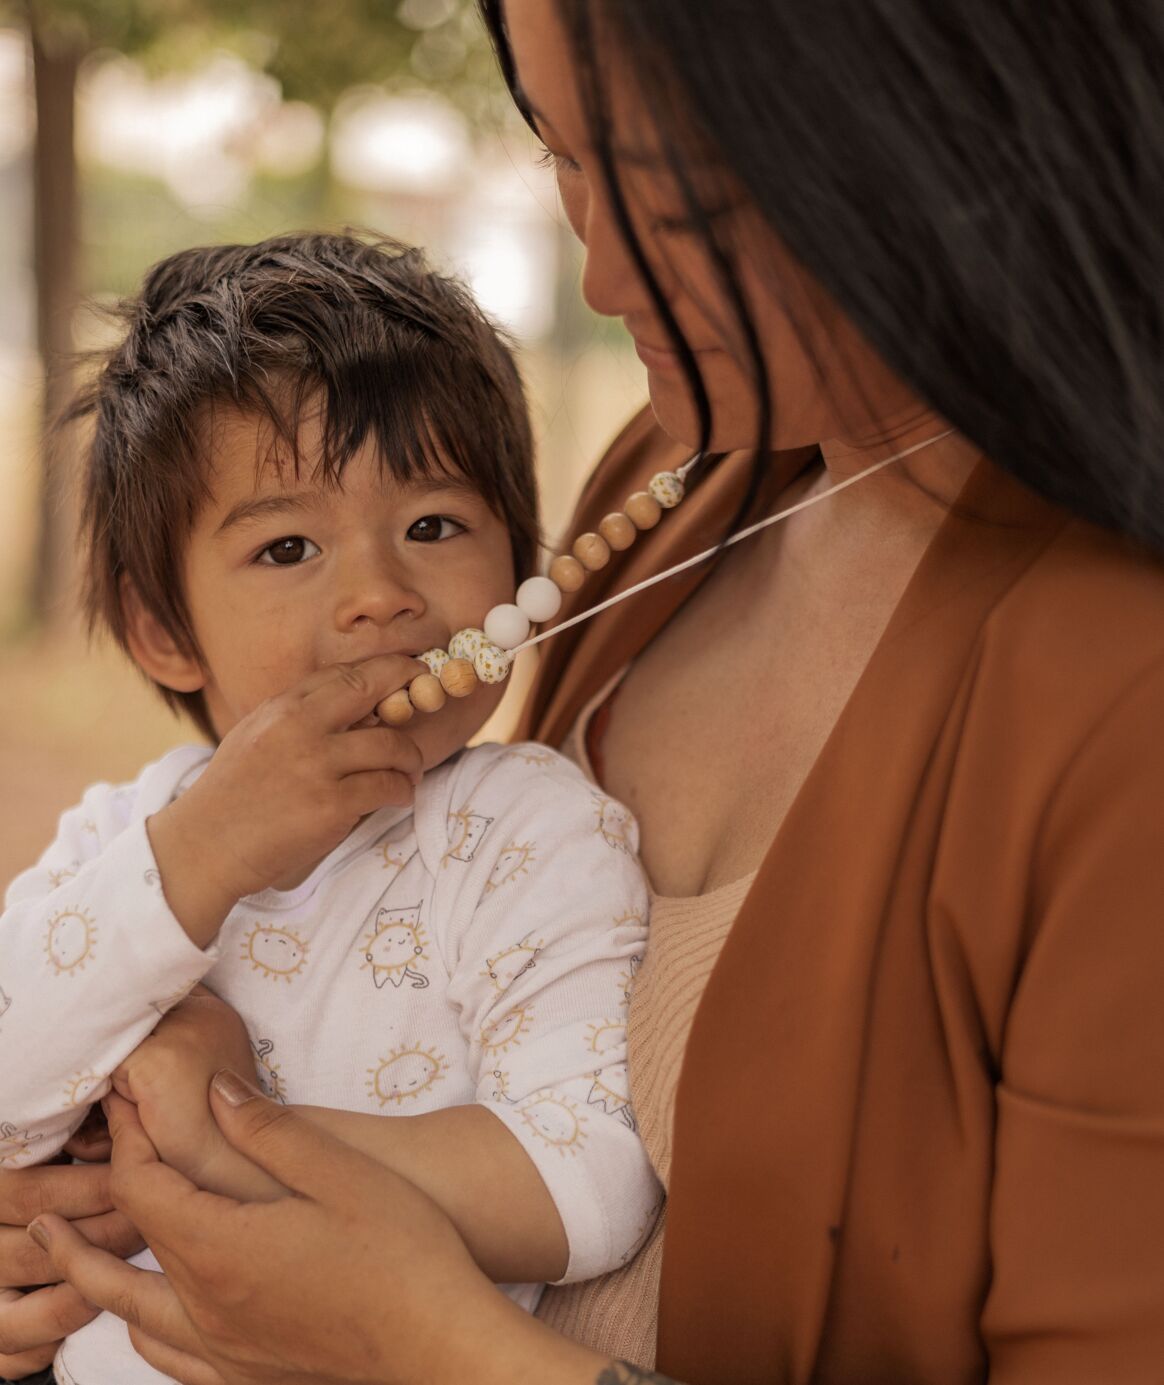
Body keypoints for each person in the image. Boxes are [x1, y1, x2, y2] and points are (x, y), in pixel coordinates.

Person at [8, 0, 1164, 1381]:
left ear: (915, 136)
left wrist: (406, 1327)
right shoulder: (687, 485)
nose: (602, 272)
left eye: (669, 199)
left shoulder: (1112, 689)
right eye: (561, 157)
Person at [0, 230, 659, 1385]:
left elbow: (588, 1182)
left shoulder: (527, 833)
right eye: (288, 546)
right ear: (163, 629)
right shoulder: (127, 842)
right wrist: (196, 860)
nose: (378, 597)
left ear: (518, 570)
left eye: (435, 527)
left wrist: (225, 1126)